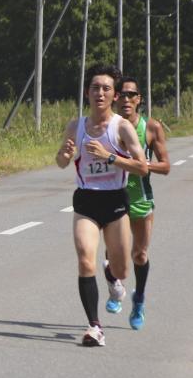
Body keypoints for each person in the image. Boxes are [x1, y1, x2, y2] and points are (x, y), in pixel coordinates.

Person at [56, 65, 148, 347]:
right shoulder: (76, 125)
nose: (100, 92)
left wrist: (110, 158)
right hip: (86, 199)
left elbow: (142, 167)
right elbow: (61, 162)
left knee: (121, 270)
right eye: (95, 87)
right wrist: (65, 154)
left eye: (106, 88)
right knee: (85, 258)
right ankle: (94, 326)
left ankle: (112, 277)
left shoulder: (122, 127)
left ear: (115, 95)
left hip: (115, 200)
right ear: (87, 92)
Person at [104, 76, 170, 330]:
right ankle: (115, 289)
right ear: (116, 98)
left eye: (132, 95)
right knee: (113, 257)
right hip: (113, 198)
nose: (126, 99)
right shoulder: (109, 125)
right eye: (122, 94)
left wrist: (140, 165)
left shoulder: (151, 127)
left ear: (139, 99)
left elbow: (165, 166)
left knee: (139, 255)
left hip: (141, 199)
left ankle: (139, 299)